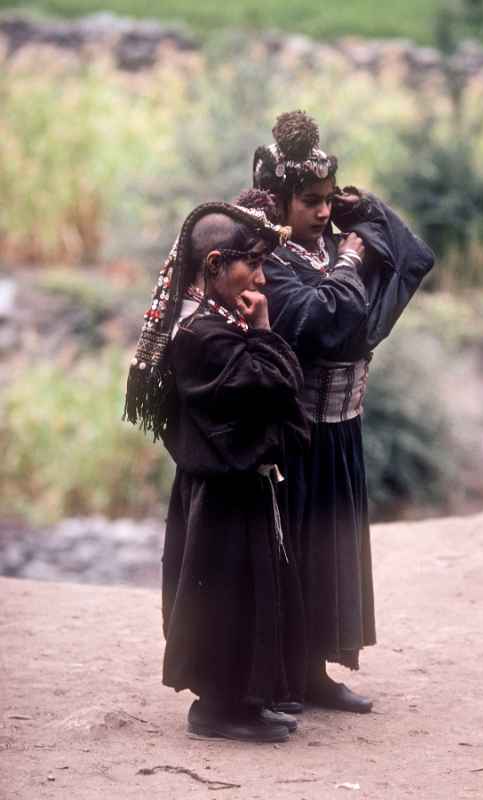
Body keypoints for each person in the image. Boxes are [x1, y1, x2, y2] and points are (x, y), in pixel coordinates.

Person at [245, 110, 435, 713]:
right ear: (279, 202)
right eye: (311, 201)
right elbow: (326, 320)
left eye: (330, 200)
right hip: (297, 437)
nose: (324, 212)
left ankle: (316, 674)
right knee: (297, 553)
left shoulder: (334, 247)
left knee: (332, 554)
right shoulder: (271, 264)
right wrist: (352, 262)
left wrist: (366, 207)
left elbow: (413, 257)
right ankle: (286, 676)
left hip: (343, 430)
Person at [124, 202, 309, 742]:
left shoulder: (216, 324)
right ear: (213, 265)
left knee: (245, 593)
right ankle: (215, 711)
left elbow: (276, 391)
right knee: (225, 596)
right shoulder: (202, 335)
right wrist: (265, 329)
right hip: (221, 489)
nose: (261, 279)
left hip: (232, 485)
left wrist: (261, 339)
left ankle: (244, 703)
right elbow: (275, 388)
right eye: (252, 264)